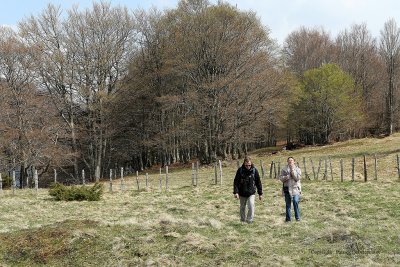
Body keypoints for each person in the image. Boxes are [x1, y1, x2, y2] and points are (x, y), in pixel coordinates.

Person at [233, 156, 263, 224]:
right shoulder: (240, 170)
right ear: (244, 164)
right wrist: (236, 192)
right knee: (242, 207)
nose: (248, 166)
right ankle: (243, 220)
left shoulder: (254, 170)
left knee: (251, 205)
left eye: (249, 165)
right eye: (246, 165)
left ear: (251, 163)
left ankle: (250, 220)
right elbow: (236, 182)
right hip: (242, 193)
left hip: (251, 193)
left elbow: (258, 182)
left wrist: (260, 193)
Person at [279, 156, 302, 222]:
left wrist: (292, 171)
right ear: (287, 162)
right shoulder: (284, 169)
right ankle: (288, 219)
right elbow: (281, 178)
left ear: (294, 161)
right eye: (289, 160)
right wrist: (287, 177)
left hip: (295, 188)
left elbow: (297, 178)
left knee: (295, 201)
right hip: (287, 188)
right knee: (288, 204)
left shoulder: (298, 169)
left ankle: (297, 218)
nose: (290, 161)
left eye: (291, 160)